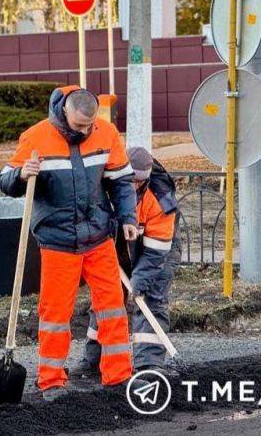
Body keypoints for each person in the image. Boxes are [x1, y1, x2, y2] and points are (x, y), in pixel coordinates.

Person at [0, 86, 139, 401]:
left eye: (90, 125)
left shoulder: (106, 133)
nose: (86, 131)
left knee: (113, 308)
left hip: (99, 237)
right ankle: (51, 381)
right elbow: (5, 181)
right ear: (64, 113)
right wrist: (22, 174)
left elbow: (121, 181)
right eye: (79, 126)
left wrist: (129, 218)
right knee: (55, 315)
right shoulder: (36, 138)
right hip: (58, 241)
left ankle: (118, 376)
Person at [76, 146, 181, 377]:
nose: (133, 186)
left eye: (139, 182)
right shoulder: (103, 186)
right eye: (130, 180)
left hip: (157, 250)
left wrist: (140, 281)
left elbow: (156, 253)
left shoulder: (160, 199)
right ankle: (95, 359)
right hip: (116, 246)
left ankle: (149, 363)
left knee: (151, 298)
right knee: (107, 298)